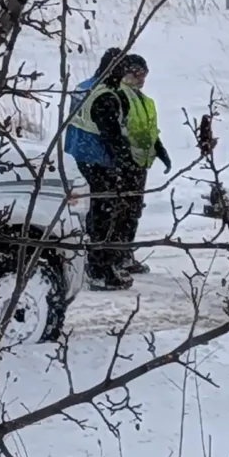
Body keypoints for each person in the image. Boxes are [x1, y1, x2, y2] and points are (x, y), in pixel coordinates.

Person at [67, 49, 169, 288]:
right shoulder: (107, 95)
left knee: (102, 213)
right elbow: (112, 134)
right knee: (104, 215)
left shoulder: (86, 87)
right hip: (99, 161)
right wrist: (124, 162)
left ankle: (108, 260)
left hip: (78, 156)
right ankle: (100, 269)